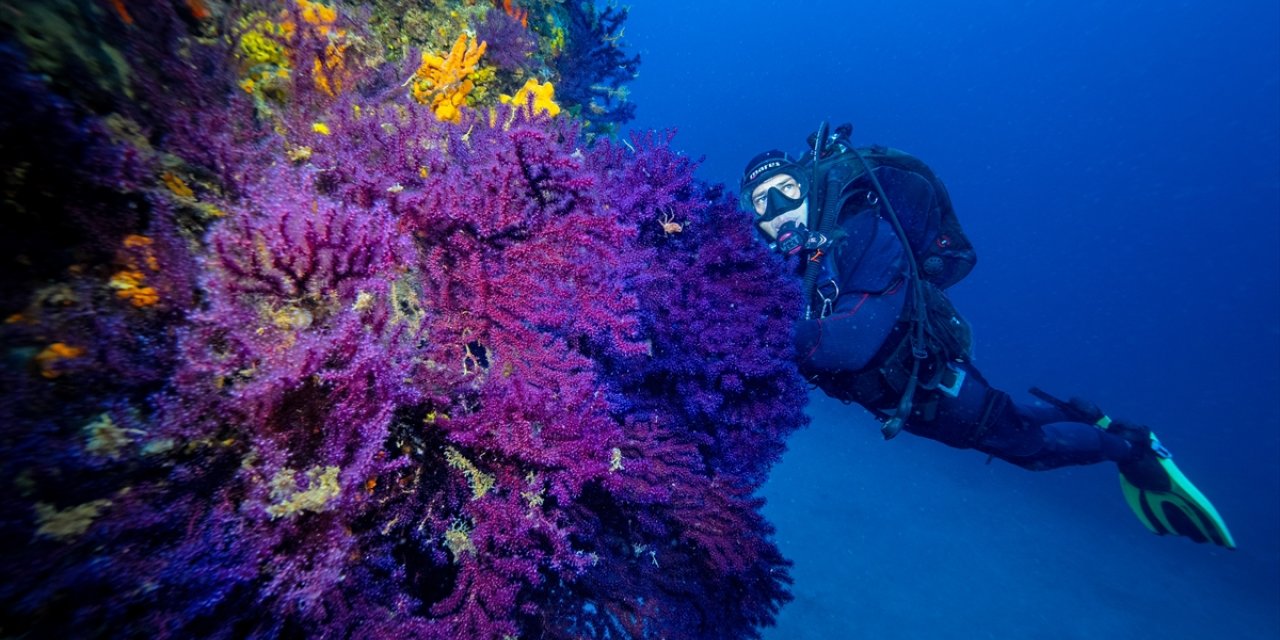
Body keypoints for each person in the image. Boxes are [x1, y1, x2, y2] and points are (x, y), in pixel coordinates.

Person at [740, 123, 1235, 548]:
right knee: (1014, 415)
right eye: (761, 202)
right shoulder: (795, 271)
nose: (777, 207)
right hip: (900, 396)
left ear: (812, 187)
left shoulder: (866, 230)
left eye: (787, 189)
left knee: (1030, 449)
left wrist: (760, 339)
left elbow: (855, 339)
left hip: (937, 389)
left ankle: (1134, 450)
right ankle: (1084, 414)